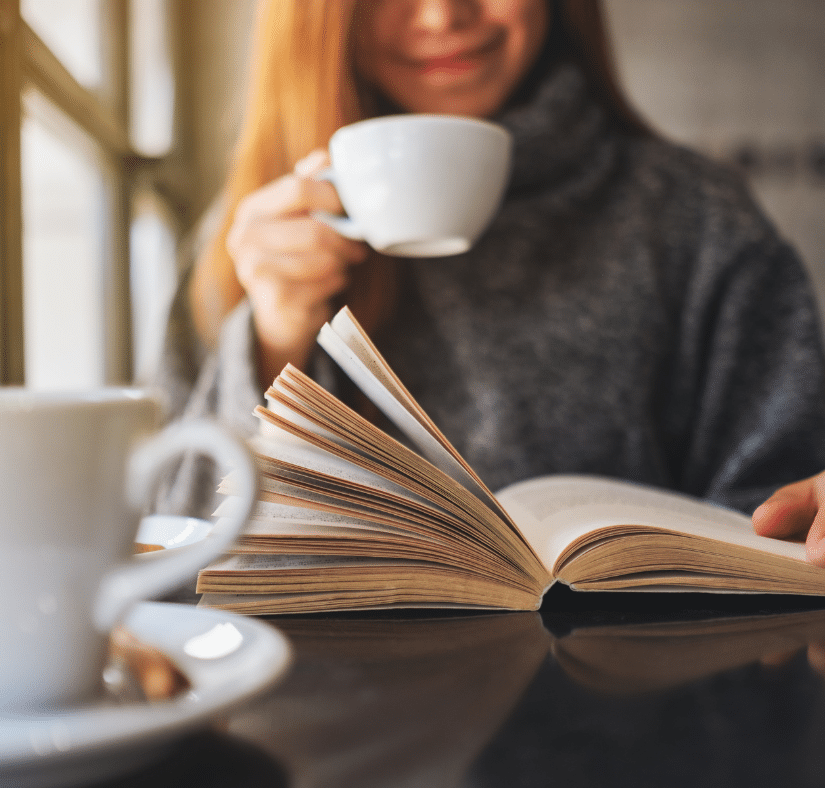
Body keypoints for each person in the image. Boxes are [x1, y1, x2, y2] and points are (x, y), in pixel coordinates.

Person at [154, 0, 825, 567]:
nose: (444, 15)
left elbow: (775, 525)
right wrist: (272, 340)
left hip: (645, 712)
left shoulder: (700, 221)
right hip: (328, 712)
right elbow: (172, 563)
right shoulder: (246, 244)